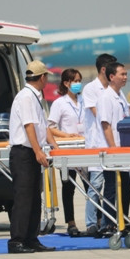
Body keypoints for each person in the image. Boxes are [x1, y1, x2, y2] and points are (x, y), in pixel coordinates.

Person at [7, 61, 60, 253]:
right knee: (23, 197)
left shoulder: (35, 96)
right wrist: (38, 151)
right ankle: (17, 240)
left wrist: (54, 146)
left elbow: (43, 127)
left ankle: (31, 237)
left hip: (31, 151)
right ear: (42, 77)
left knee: (34, 198)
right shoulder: (26, 97)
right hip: (23, 152)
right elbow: (29, 126)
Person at [81, 53, 117, 236]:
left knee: (111, 186)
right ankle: (91, 223)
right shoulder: (91, 89)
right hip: (96, 143)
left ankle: (108, 222)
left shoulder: (113, 90)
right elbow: (101, 115)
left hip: (111, 143)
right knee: (95, 185)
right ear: (104, 69)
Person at [47, 68, 85, 237]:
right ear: (66, 83)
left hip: (85, 148)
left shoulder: (84, 101)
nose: (78, 84)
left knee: (92, 186)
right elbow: (51, 127)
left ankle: (97, 220)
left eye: (79, 81)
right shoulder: (59, 103)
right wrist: (66, 135)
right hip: (68, 149)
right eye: (75, 81)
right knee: (68, 187)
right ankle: (71, 222)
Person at [96, 61, 130, 232]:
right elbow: (106, 124)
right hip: (112, 151)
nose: (125, 77)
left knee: (125, 188)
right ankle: (108, 224)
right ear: (111, 77)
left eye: (126, 74)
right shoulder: (106, 97)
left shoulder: (121, 96)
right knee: (111, 188)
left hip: (123, 151)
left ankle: (123, 221)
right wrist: (113, 148)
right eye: (122, 74)